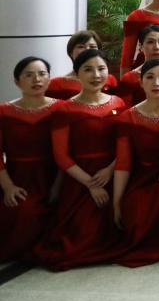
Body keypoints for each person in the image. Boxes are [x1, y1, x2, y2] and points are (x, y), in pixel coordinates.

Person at [34, 50, 127, 270]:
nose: (96, 75)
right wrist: (90, 184)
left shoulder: (119, 103)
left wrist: (110, 170)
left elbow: (126, 147)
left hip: (114, 173)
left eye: (101, 69)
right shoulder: (64, 109)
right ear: (77, 74)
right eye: (88, 69)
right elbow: (61, 155)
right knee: (82, 234)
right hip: (80, 179)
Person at [111, 58, 159, 267]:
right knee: (135, 207)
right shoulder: (128, 117)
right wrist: (117, 201)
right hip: (141, 176)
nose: (156, 83)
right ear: (141, 82)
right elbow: (123, 163)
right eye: (150, 78)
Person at [0, 57, 59, 262]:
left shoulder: (61, 109)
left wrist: (59, 185)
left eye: (42, 74)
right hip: (17, 177)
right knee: (20, 212)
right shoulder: (3, 112)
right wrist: (8, 187)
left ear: (49, 79)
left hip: (55, 174)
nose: (37, 79)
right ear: (17, 81)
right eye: (29, 75)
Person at [46, 31, 118, 99]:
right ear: (71, 52)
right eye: (81, 47)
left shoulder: (110, 80)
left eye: (92, 47)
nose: (87, 50)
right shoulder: (56, 84)